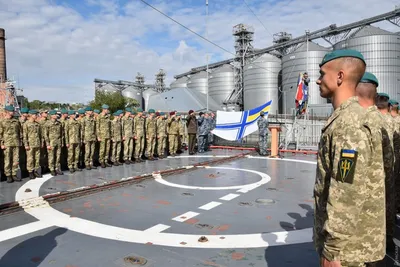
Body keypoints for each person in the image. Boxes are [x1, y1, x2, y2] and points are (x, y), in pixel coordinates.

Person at [313, 50, 386, 266]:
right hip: (352, 244)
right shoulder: (348, 118)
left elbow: (346, 190)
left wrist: (332, 249)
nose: (318, 80)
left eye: (322, 73)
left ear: (339, 77)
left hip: (347, 251)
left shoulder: (349, 124)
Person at [356, 72, 397, 254]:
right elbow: (390, 159)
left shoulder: (359, 120)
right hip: (387, 176)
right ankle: (387, 240)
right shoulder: (387, 122)